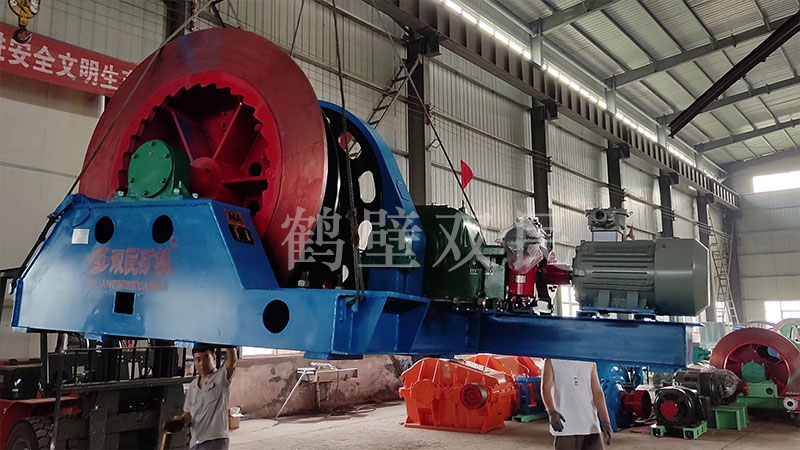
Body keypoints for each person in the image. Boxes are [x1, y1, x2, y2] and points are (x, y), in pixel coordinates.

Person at [170, 344, 237, 450]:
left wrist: (229, 344)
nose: (202, 363)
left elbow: (232, 360)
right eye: (198, 359)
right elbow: (189, 413)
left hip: (215, 440)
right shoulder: (193, 386)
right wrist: (180, 420)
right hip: (196, 441)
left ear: (214, 358)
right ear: (194, 361)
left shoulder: (221, 378)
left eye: (206, 357)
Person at [541, 358, 613, 450]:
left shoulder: (551, 360)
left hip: (568, 425)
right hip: (586, 424)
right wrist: (605, 420)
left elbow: (545, 388)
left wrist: (551, 411)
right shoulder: (589, 360)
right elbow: (597, 393)